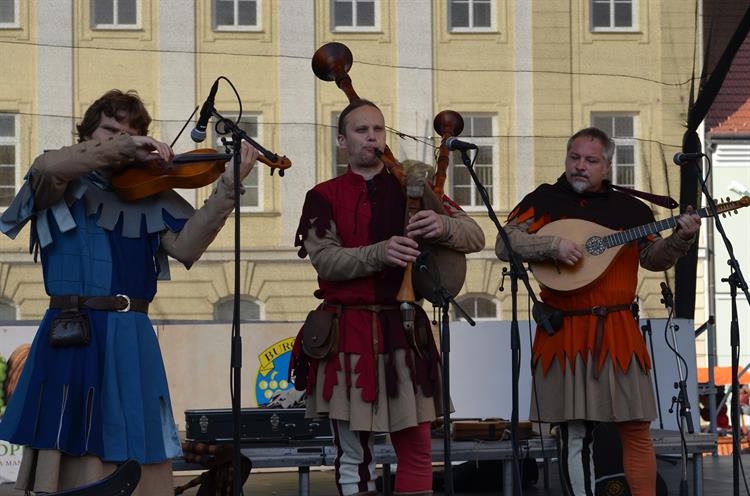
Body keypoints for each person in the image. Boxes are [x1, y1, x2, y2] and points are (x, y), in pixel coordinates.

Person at [0, 89, 259, 495]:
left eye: (131, 132)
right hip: (74, 331)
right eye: (110, 129)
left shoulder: (150, 190)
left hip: (132, 336)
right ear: (88, 132)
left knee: (136, 439)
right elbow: (48, 166)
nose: (121, 137)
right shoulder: (60, 177)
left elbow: (188, 245)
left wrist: (227, 188)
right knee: (74, 435)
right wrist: (123, 146)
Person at [289, 99, 485, 496]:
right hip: (348, 334)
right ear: (342, 141)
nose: (372, 137)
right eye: (361, 131)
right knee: (353, 457)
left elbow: (476, 237)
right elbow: (326, 261)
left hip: (406, 330)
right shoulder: (322, 195)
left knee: (417, 451)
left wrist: (443, 225)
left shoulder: (413, 187)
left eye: (378, 130)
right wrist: (381, 252)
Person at [495, 127, 700, 496]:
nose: (580, 166)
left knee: (636, 428)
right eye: (574, 158)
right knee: (575, 432)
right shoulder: (543, 200)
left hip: (619, 329)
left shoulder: (631, 209)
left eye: (590, 160)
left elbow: (653, 258)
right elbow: (505, 241)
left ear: (607, 165)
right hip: (566, 331)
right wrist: (551, 245)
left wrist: (681, 238)